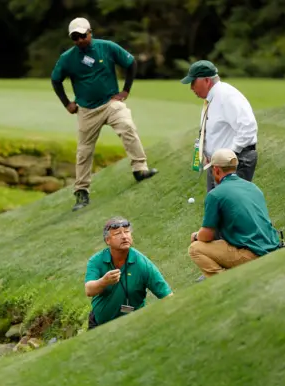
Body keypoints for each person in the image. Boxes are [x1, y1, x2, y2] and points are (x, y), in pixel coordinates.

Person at [51, 17, 158, 212]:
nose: (80, 40)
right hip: (86, 110)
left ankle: (139, 169)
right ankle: (81, 192)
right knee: (84, 151)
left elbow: (130, 62)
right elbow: (55, 80)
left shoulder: (106, 47)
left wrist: (125, 91)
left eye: (83, 36)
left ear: (90, 32)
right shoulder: (68, 58)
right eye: (75, 38)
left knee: (127, 127)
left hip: (110, 103)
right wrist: (67, 104)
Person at [188, 148, 280, 278]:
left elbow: (207, 235)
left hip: (253, 254)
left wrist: (196, 236)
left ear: (216, 170)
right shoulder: (252, 187)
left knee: (195, 249)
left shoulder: (215, 194)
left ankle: (227, 280)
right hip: (272, 246)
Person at [181, 60, 258, 193]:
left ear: (206, 81)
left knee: (230, 208)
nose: (191, 87)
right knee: (216, 207)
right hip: (217, 164)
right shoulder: (212, 98)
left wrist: (227, 157)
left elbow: (248, 128)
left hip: (234, 163)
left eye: (193, 82)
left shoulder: (227, 96)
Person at [84, 217, 173, 329]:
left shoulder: (142, 263)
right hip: (99, 324)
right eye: (117, 234)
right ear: (108, 240)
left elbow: (166, 295)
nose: (124, 237)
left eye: (127, 232)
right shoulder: (96, 260)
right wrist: (104, 281)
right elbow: (89, 290)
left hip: (135, 325)